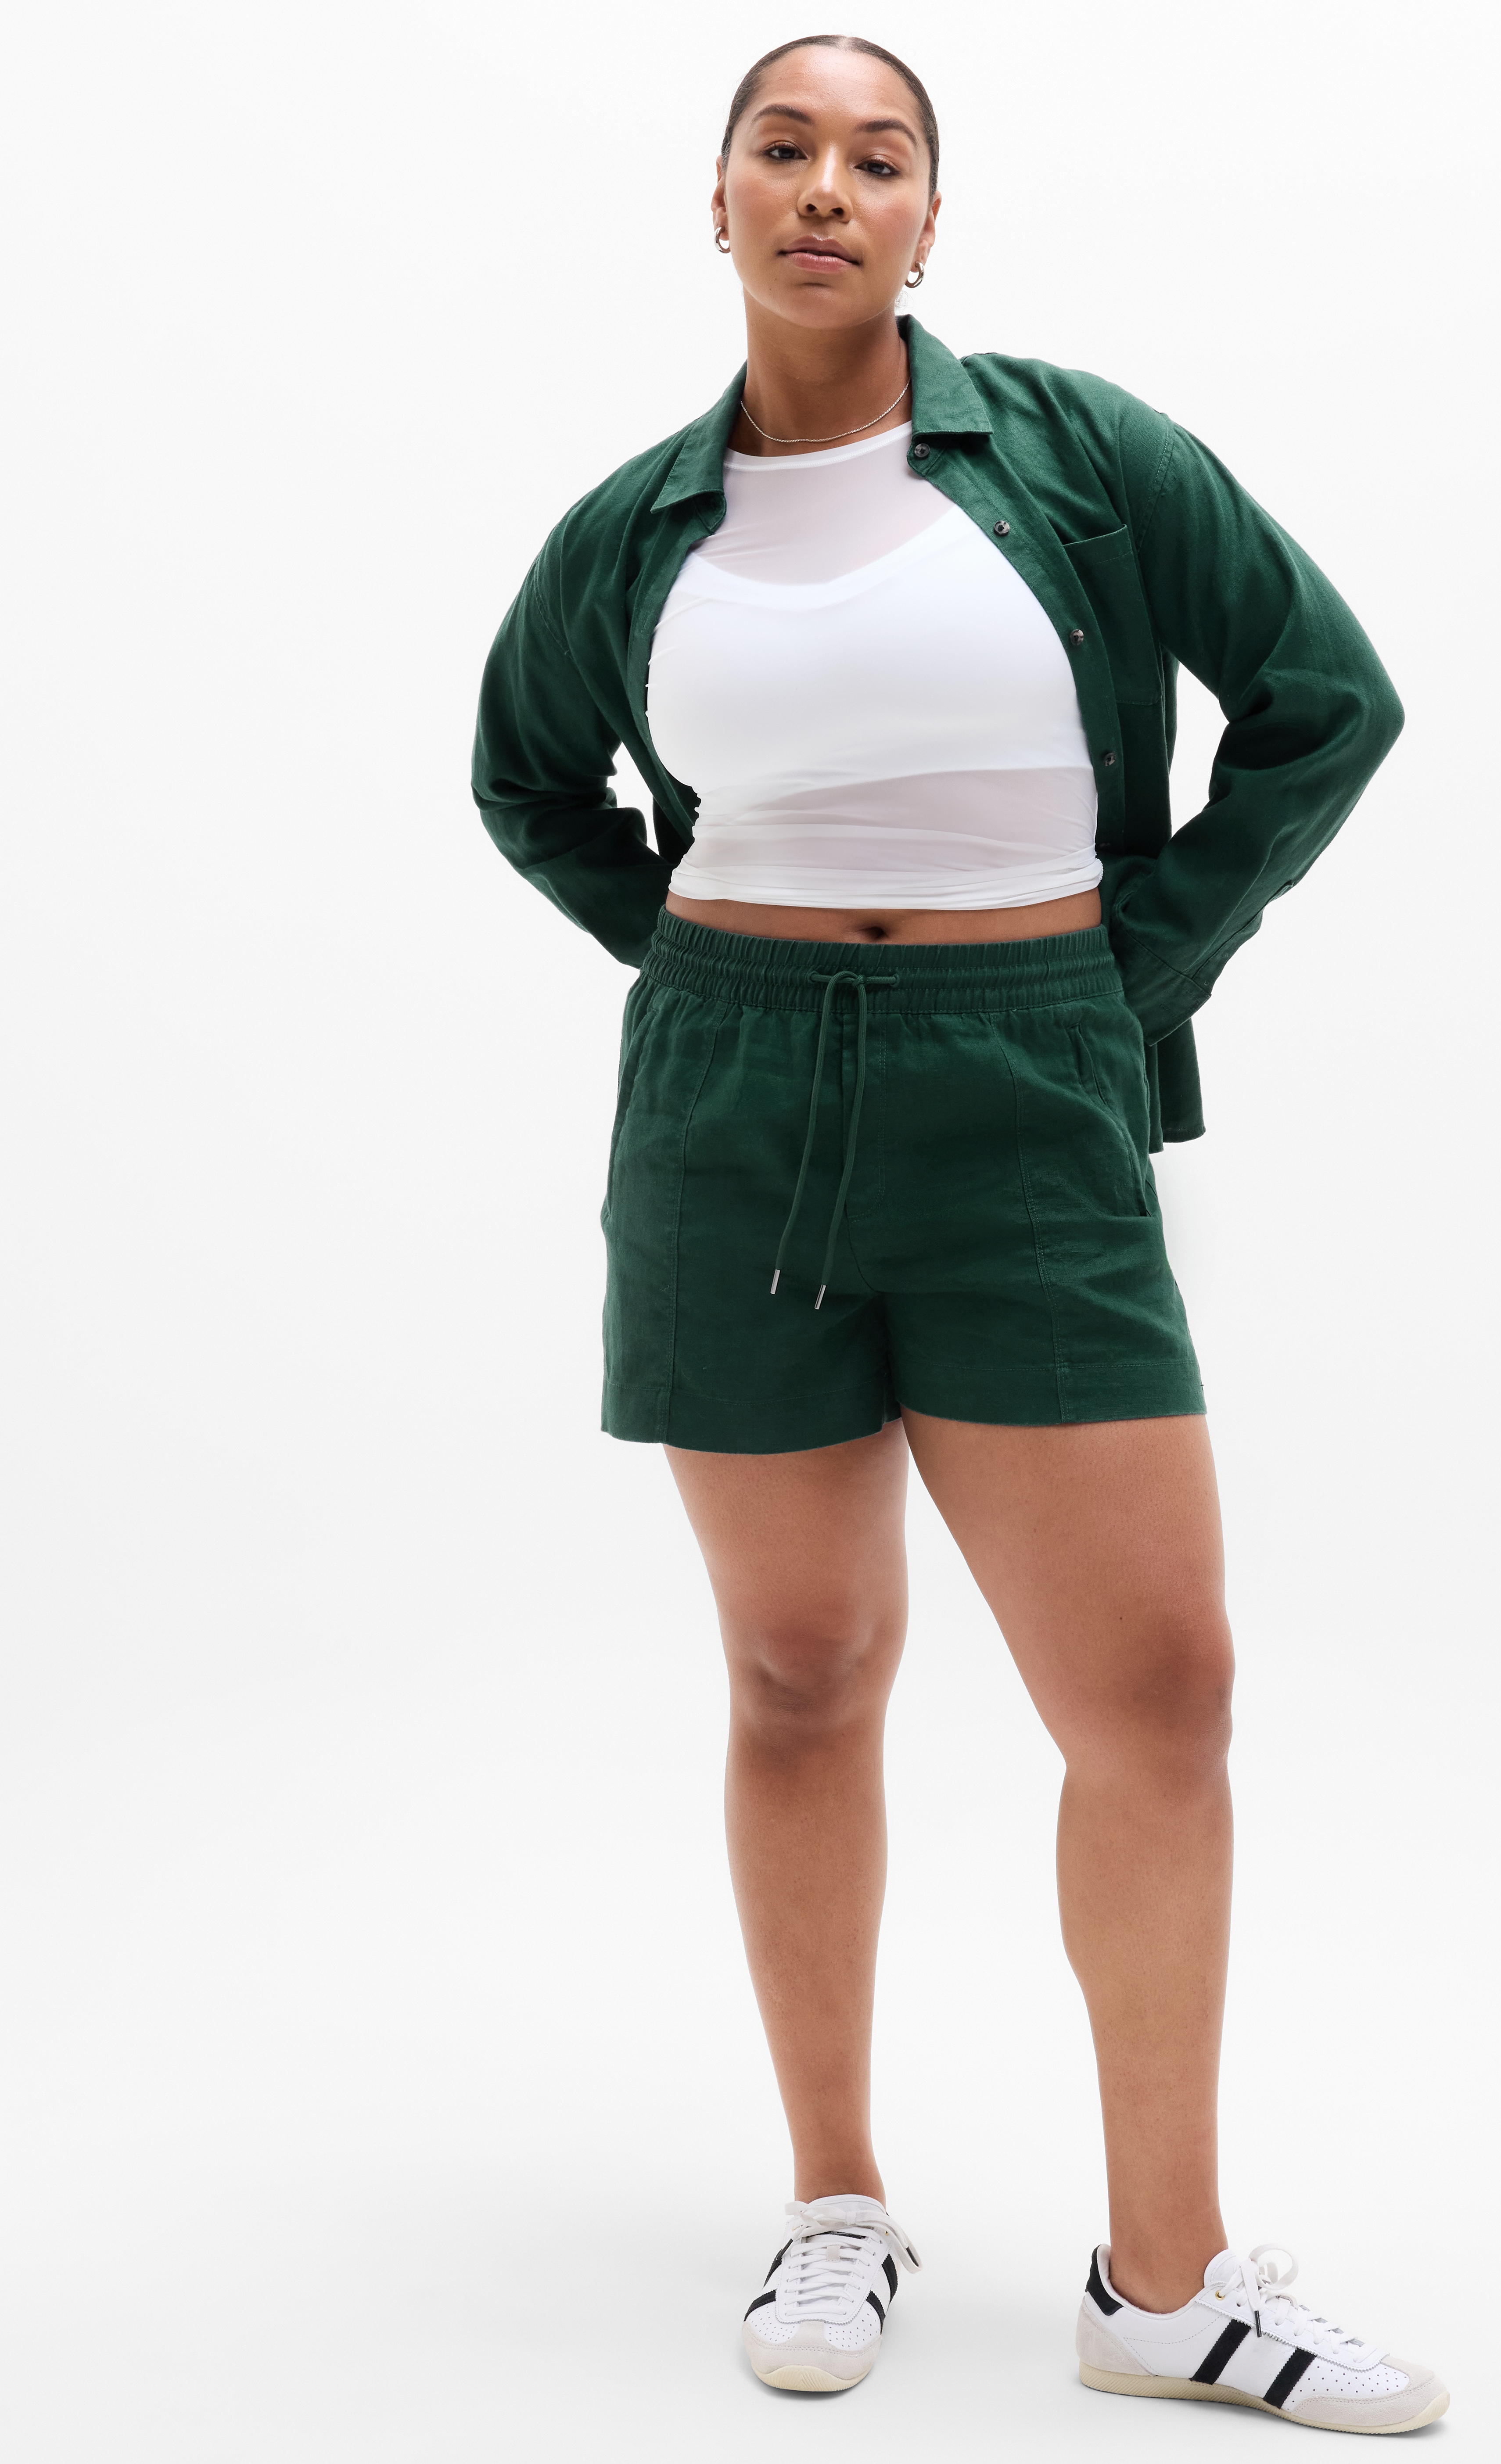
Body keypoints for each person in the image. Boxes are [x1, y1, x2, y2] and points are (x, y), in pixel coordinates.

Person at [473, 32, 1444, 2435]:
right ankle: (836, 2195)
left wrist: (1128, 972)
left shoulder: (1083, 461)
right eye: (782, 148)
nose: (827, 185)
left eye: (876, 155)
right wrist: (705, 968)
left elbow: (1325, 701)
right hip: (729, 1115)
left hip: (1029, 1090)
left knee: (1160, 1693)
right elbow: (527, 779)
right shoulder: (636, 531)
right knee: (801, 1670)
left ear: (929, 216)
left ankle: (1163, 2284)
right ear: (718, 202)